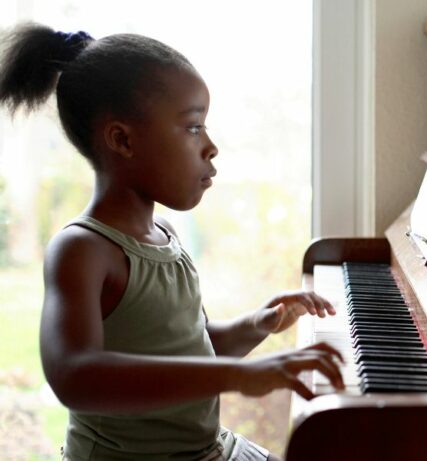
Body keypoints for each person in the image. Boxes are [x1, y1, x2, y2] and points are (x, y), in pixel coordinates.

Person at [0, 23, 345, 461]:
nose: (211, 146)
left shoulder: (166, 237)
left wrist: (257, 323)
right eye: (193, 127)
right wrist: (238, 376)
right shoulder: (83, 250)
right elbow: (74, 376)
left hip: (207, 450)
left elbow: (196, 346)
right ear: (123, 139)